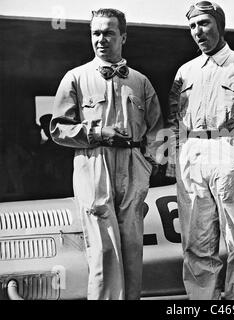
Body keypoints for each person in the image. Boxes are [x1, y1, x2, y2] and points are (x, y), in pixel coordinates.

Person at [51, 8, 164, 300]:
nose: (101, 39)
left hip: (132, 168)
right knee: (102, 250)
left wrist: (146, 166)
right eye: (96, 33)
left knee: (131, 247)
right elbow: (59, 129)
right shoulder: (75, 77)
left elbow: (157, 131)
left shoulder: (140, 82)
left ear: (123, 36)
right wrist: (98, 134)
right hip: (94, 165)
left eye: (109, 32)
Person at [166, 1, 234, 300]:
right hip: (193, 151)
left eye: (203, 24)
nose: (197, 32)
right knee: (197, 239)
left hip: (229, 147)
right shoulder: (185, 72)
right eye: (192, 27)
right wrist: (178, 155)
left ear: (219, 25)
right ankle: (202, 300)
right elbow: (174, 119)